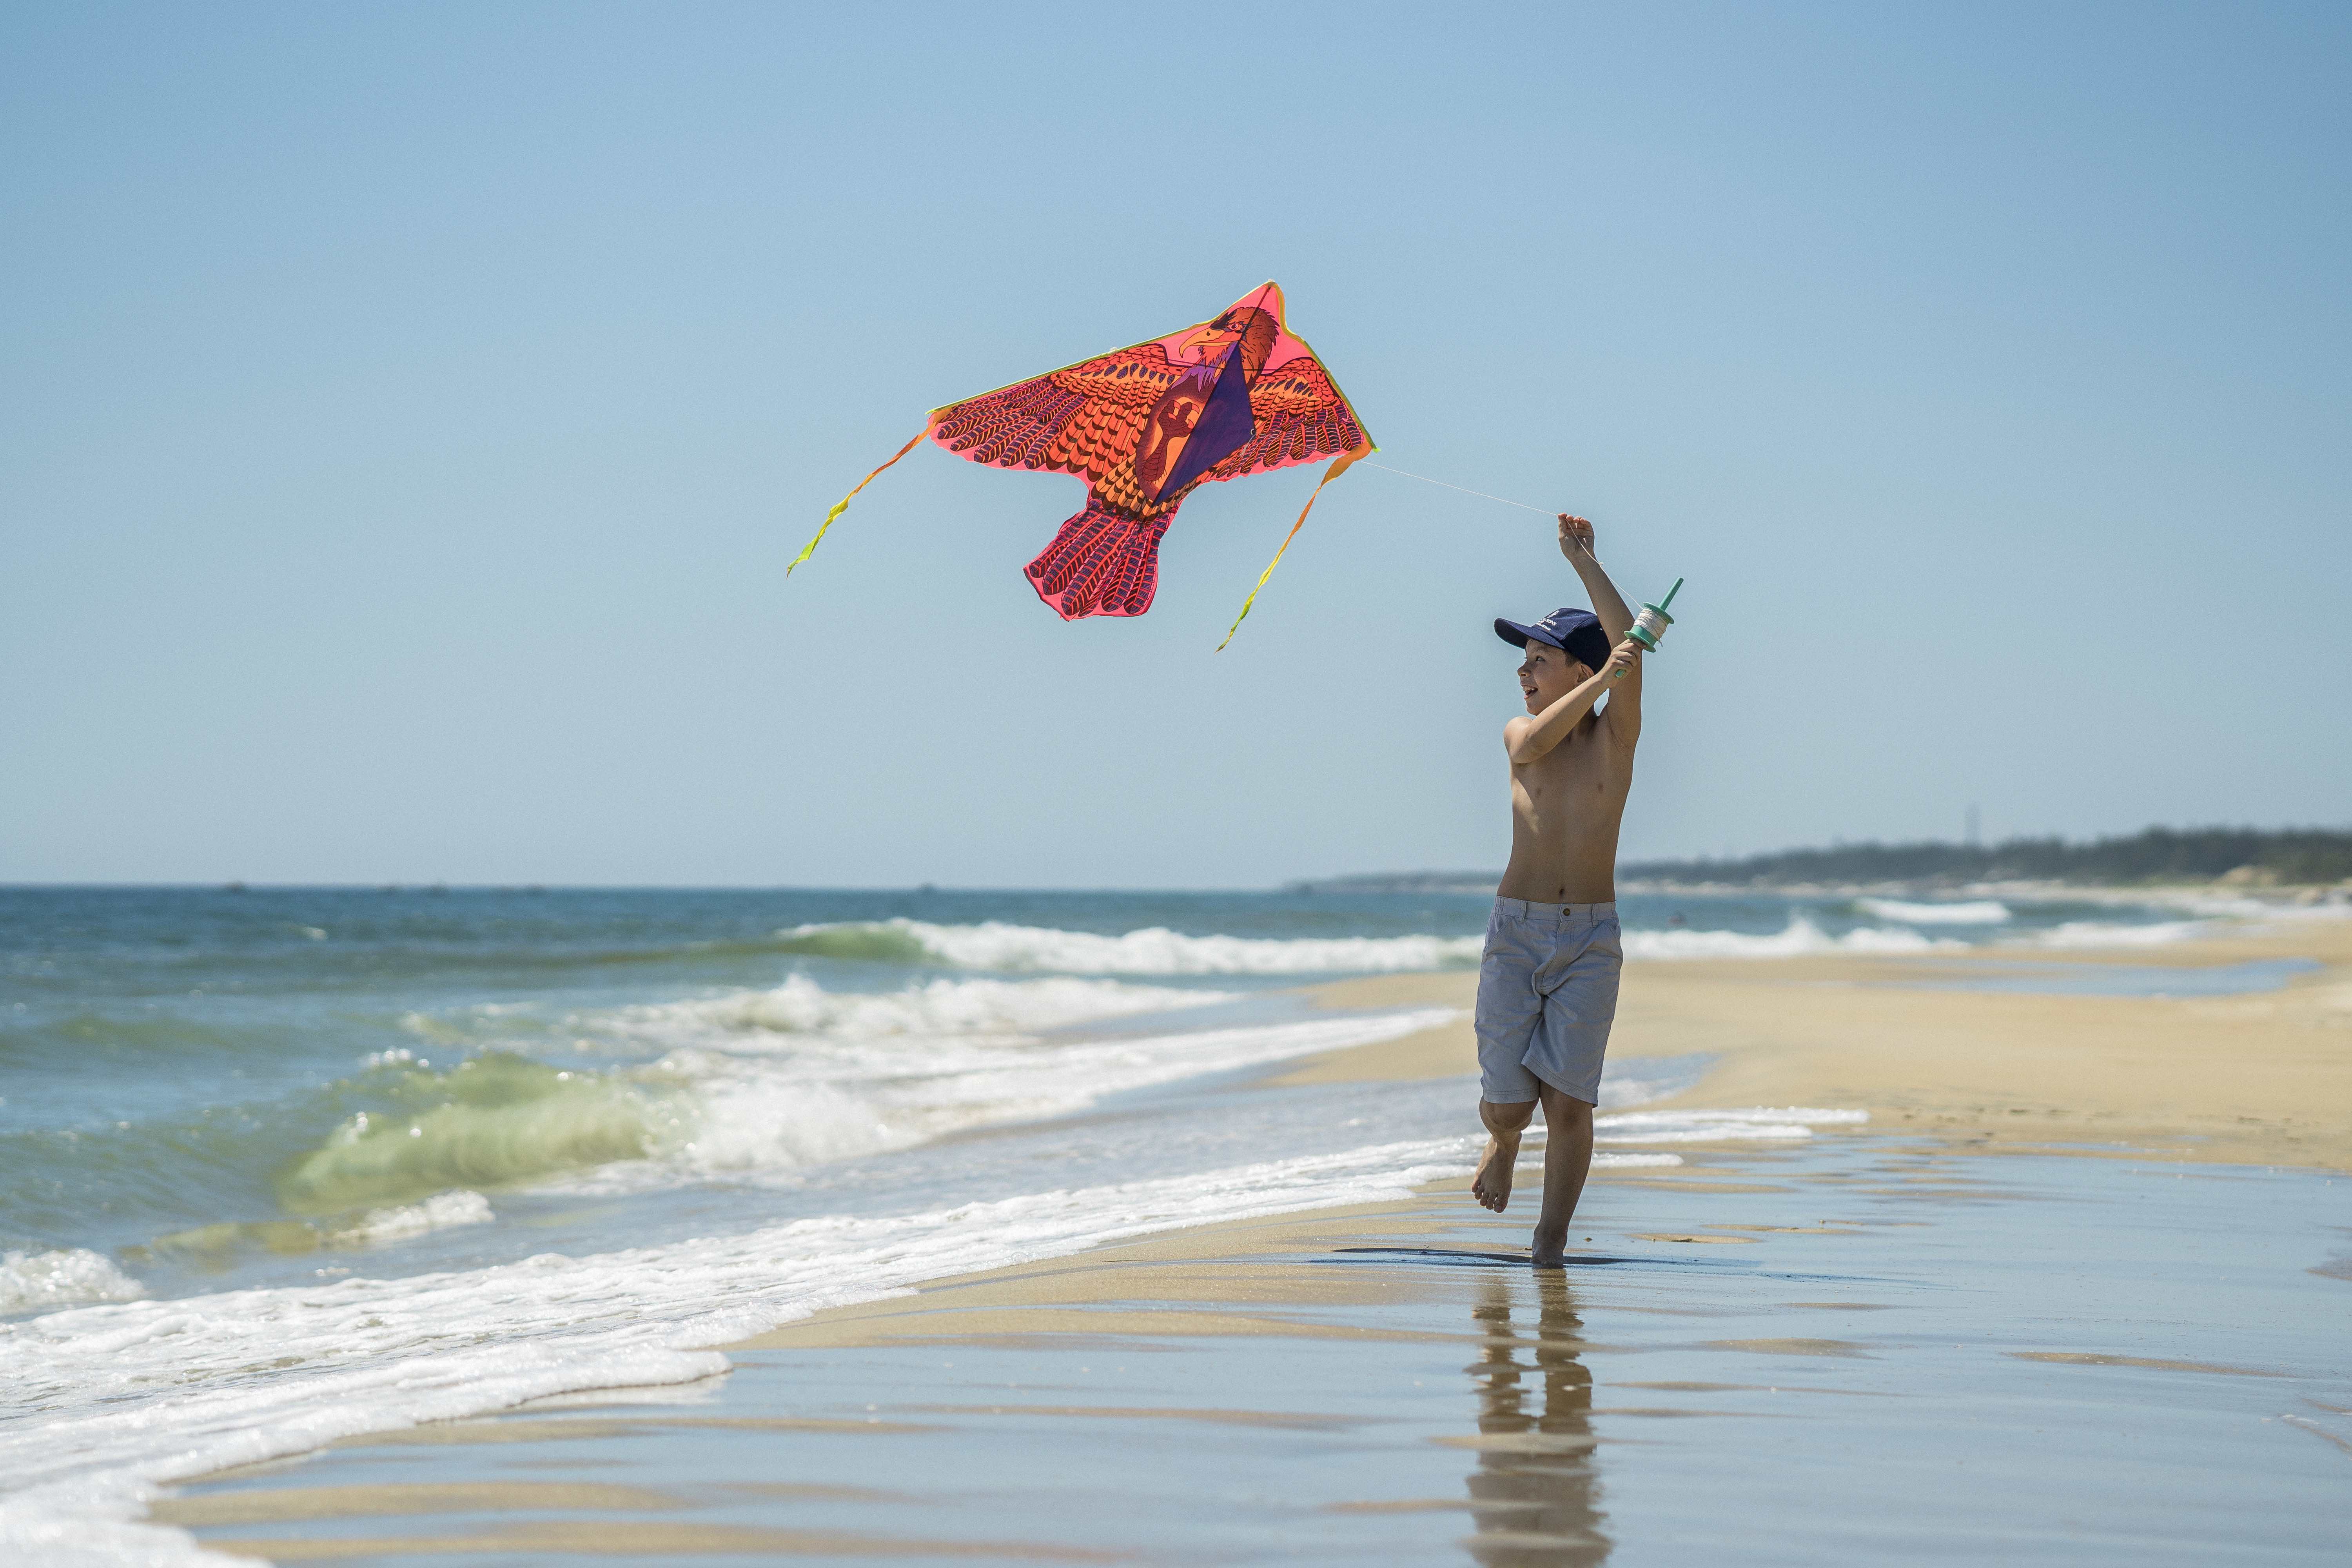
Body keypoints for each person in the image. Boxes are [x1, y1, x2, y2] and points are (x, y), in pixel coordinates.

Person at [1472, 512, 1645, 1267]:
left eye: (1540, 658)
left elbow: (1628, 651)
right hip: (1516, 935)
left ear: (1578, 669)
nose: (1524, 671)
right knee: (1510, 1103)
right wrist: (1605, 675)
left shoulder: (1616, 739)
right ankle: (1504, 1142)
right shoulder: (1520, 733)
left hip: (1589, 940)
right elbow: (1540, 739)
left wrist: (1584, 563)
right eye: (1524, 659)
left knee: (1571, 1101)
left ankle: (1551, 1240)